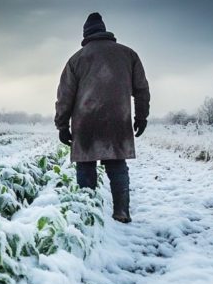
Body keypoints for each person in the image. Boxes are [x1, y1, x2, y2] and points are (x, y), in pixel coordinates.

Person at [54, 12, 150, 223]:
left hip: (85, 122)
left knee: (86, 166)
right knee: (117, 164)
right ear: (105, 30)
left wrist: (62, 125)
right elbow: (141, 89)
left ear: (86, 34)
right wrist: (141, 116)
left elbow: (65, 96)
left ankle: (87, 214)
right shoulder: (128, 54)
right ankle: (121, 211)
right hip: (118, 120)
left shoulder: (76, 59)